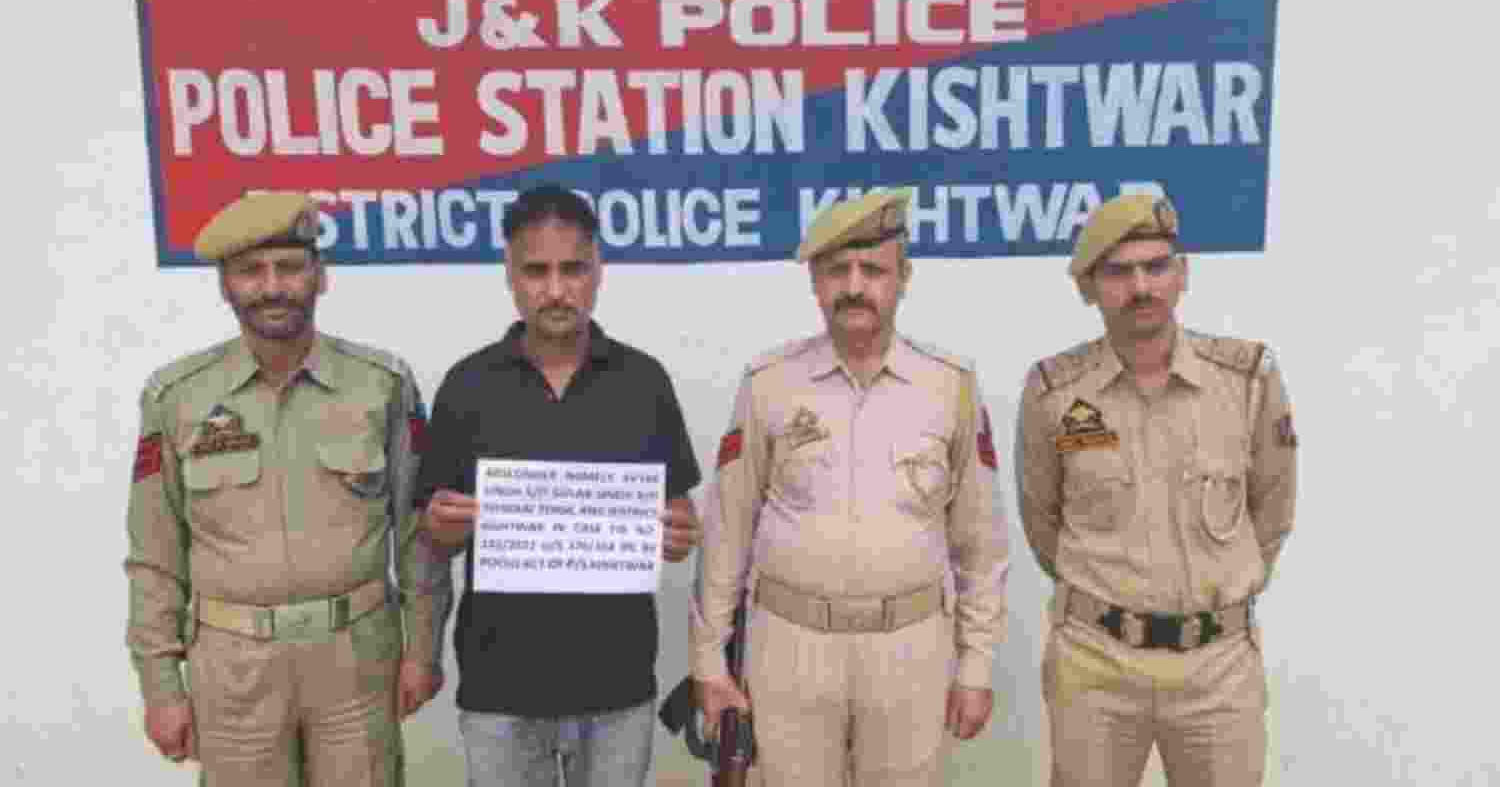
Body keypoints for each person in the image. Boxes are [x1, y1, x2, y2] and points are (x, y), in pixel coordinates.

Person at [124, 192, 451, 786]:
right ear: (225, 285)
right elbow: (154, 559)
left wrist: (422, 651)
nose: (273, 286)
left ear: (320, 277)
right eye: (251, 270)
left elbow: (419, 535)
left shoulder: (382, 385)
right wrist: (161, 685)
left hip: (355, 660)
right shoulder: (176, 399)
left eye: (291, 266)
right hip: (233, 672)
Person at [690, 188, 1010, 786]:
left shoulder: (951, 387)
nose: (855, 286)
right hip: (790, 647)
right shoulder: (768, 385)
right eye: (838, 270)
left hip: (910, 649)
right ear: (816, 282)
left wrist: (976, 665)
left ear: (904, 278)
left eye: (874, 269)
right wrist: (710, 661)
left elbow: (981, 544)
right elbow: (726, 531)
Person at [416, 183, 704, 787]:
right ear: (510, 274)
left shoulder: (643, 382)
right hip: (499, 684)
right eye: (536, 271)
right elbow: (432, 529)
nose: (554, 289)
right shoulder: (467, 387)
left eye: (572, 269)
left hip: (617, 683)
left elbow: (677, 516)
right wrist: (440, 526)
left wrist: (679, 532)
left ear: (598, 270)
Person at [1014, 192, 1298, 786]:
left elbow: (1271, 511)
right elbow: (1044, 524)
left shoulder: (1245, 381)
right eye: (1118, 271)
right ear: (1088, 287)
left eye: (1156, 265)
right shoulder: (1053, 393)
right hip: (1095, 668)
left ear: (1182, 273)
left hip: (1218, 669)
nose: (1141, 285)